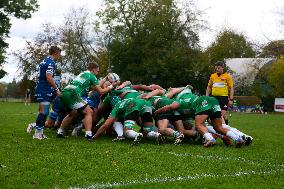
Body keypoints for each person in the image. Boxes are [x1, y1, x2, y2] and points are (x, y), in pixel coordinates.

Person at [56, 62, 115, 140]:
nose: (98, 73)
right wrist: (111, 86)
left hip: (64, 93)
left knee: (72, 113)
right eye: (97, 71)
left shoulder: (83, 73)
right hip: (72, 94)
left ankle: (60, 132)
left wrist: (104, 79)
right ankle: (88, 135)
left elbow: (94, 88)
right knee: (89, 111)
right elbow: (101, 91)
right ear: (93, 69)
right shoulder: (92, 76)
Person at [27, 46, 62, 140]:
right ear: (55, 53)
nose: (60, 56)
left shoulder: (44, 61)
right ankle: (38, 134)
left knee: (42, 112)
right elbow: (49, 77)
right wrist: (57, 89)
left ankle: (39, 132)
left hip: (40, 87)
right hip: (44, 89)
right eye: (59, 54)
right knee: (44, 112)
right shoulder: (51, 63)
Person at [206, 61, 234, 125]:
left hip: (223, 98)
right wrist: (206, 97)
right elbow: (209, 87)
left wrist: (231, 99)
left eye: (218, 68)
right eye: (216, 68)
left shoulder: (227, 76)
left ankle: (226, 127)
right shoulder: (213, 76)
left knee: (222, 115)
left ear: (222, 67)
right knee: (214, 114)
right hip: (214, 98)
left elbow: (231, 88)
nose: (217, 69)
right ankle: (219, 128)